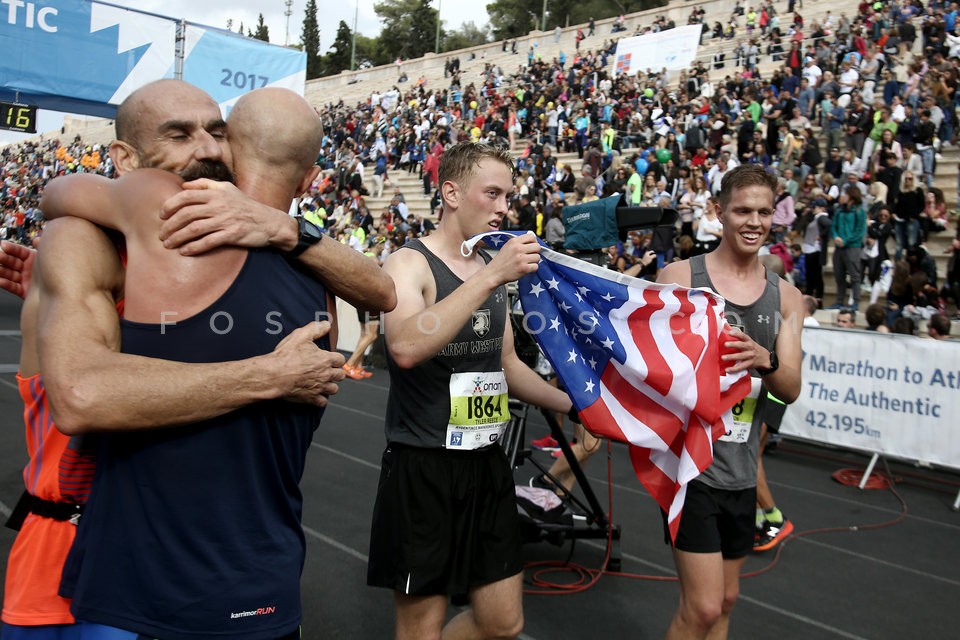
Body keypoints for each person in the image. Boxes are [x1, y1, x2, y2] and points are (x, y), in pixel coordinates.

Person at [26, 82, 395, 639]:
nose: (208, 146)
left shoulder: (160, 206)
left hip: (148, 592)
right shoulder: (323, 273)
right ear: (308, 180)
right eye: (183, 133)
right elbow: (384, 291)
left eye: (216, 131)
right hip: (263, 583)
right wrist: (268, 371)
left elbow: (59, 192)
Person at [366, 142, 574, 640]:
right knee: (421, 628)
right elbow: (407, 346)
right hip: (424, 468)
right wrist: (493, 276)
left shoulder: (486, 269)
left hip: (486, 464)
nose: (505, 207)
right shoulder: (408, 264)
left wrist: (576, 405)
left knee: (502, 623)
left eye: (508, 195)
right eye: (493, 193)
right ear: (451, 193)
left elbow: (505, 365)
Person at [656, 164, 803, 640]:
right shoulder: (680, 277)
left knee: (726, 601)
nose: (754, 221)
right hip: (690, 468)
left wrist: (764, 358)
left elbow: (791, 388)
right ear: (719, 212)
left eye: (764, 211)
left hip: (741, 469)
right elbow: (652, 367)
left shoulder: (788, 298)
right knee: (700, 606)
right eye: (742, 210)